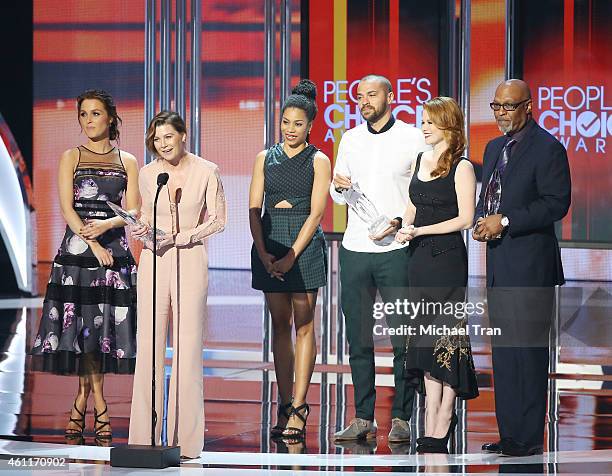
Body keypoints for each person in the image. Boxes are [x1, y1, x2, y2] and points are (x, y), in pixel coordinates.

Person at [30, 89, 139, 443]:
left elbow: (133, 210)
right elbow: (67, 208)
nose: (88, 121)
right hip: (77, 256)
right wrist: (92, 244)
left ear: (111, 118)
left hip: (115, 253)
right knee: (83, 333)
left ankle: (80, 402)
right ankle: (101, 408)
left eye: (95, 114)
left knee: (99, 334)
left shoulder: (128, 161)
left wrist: (107, 228)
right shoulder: (71, 157)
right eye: (83, 114)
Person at [473, 79, 571, 457]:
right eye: (496, 106)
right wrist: (484, 219)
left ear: (528, 106)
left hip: (531, 266)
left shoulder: (548, 148)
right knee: (505, 352)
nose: (501, 114)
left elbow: (556, 203)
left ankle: (529, 438)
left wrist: (507, 220)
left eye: (508, 106)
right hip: (499, 263)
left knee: (528, 353)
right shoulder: (495, 146)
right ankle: (510, 434)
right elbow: (492, 196)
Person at [331, 75, 427, 443]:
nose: (364, 101)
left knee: (402, 336)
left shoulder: (411, 137)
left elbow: (421, 190)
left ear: (390, 96)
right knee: (358, 338)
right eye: (359, 96)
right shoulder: (351, 139)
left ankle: (402, 416)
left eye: (372, 94)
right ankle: (363, 417)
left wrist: (401, 222)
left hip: (397, 249)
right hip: (356, 248)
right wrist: (338, 189)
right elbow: (339, 191)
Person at [128, 111, 226, 458]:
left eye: (168, 136)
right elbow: (143, 215)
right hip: (154, 261)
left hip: (189, 258)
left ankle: (185, 441)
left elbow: (218, 220)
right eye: (156, 139)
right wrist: (140, 228)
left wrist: (181, 236)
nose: (162, 144)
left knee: (186, 351)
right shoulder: (148, 174)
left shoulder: (206, 170)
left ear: (183, 135)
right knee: (150, 348)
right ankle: (144, 436)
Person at [391, 97, 479, 453]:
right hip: (418, 261)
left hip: (446, 262)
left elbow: (465, 219)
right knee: (425, 344)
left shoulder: (461, 167)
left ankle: (444, 419)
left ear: (448, 125)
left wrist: (422, 231)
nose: (424, 126)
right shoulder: (419, 160)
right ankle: (430, 418)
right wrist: (399, 226)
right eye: (423, 120)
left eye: (430, 121)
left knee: (446, 341)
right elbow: (413, 206)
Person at [250, 79, 331, 442]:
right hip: (269, 244)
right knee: (280, 327)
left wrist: (290, 256)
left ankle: (299, 407)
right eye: (285, 121)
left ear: (310, 125)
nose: (290, 129)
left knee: (304, 325)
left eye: (298, 123)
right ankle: (284, 404)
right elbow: (255, 208)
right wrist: (265, 252)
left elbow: (316, 214)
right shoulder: (264, 157)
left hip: (304, 248)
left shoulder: (319, 160)